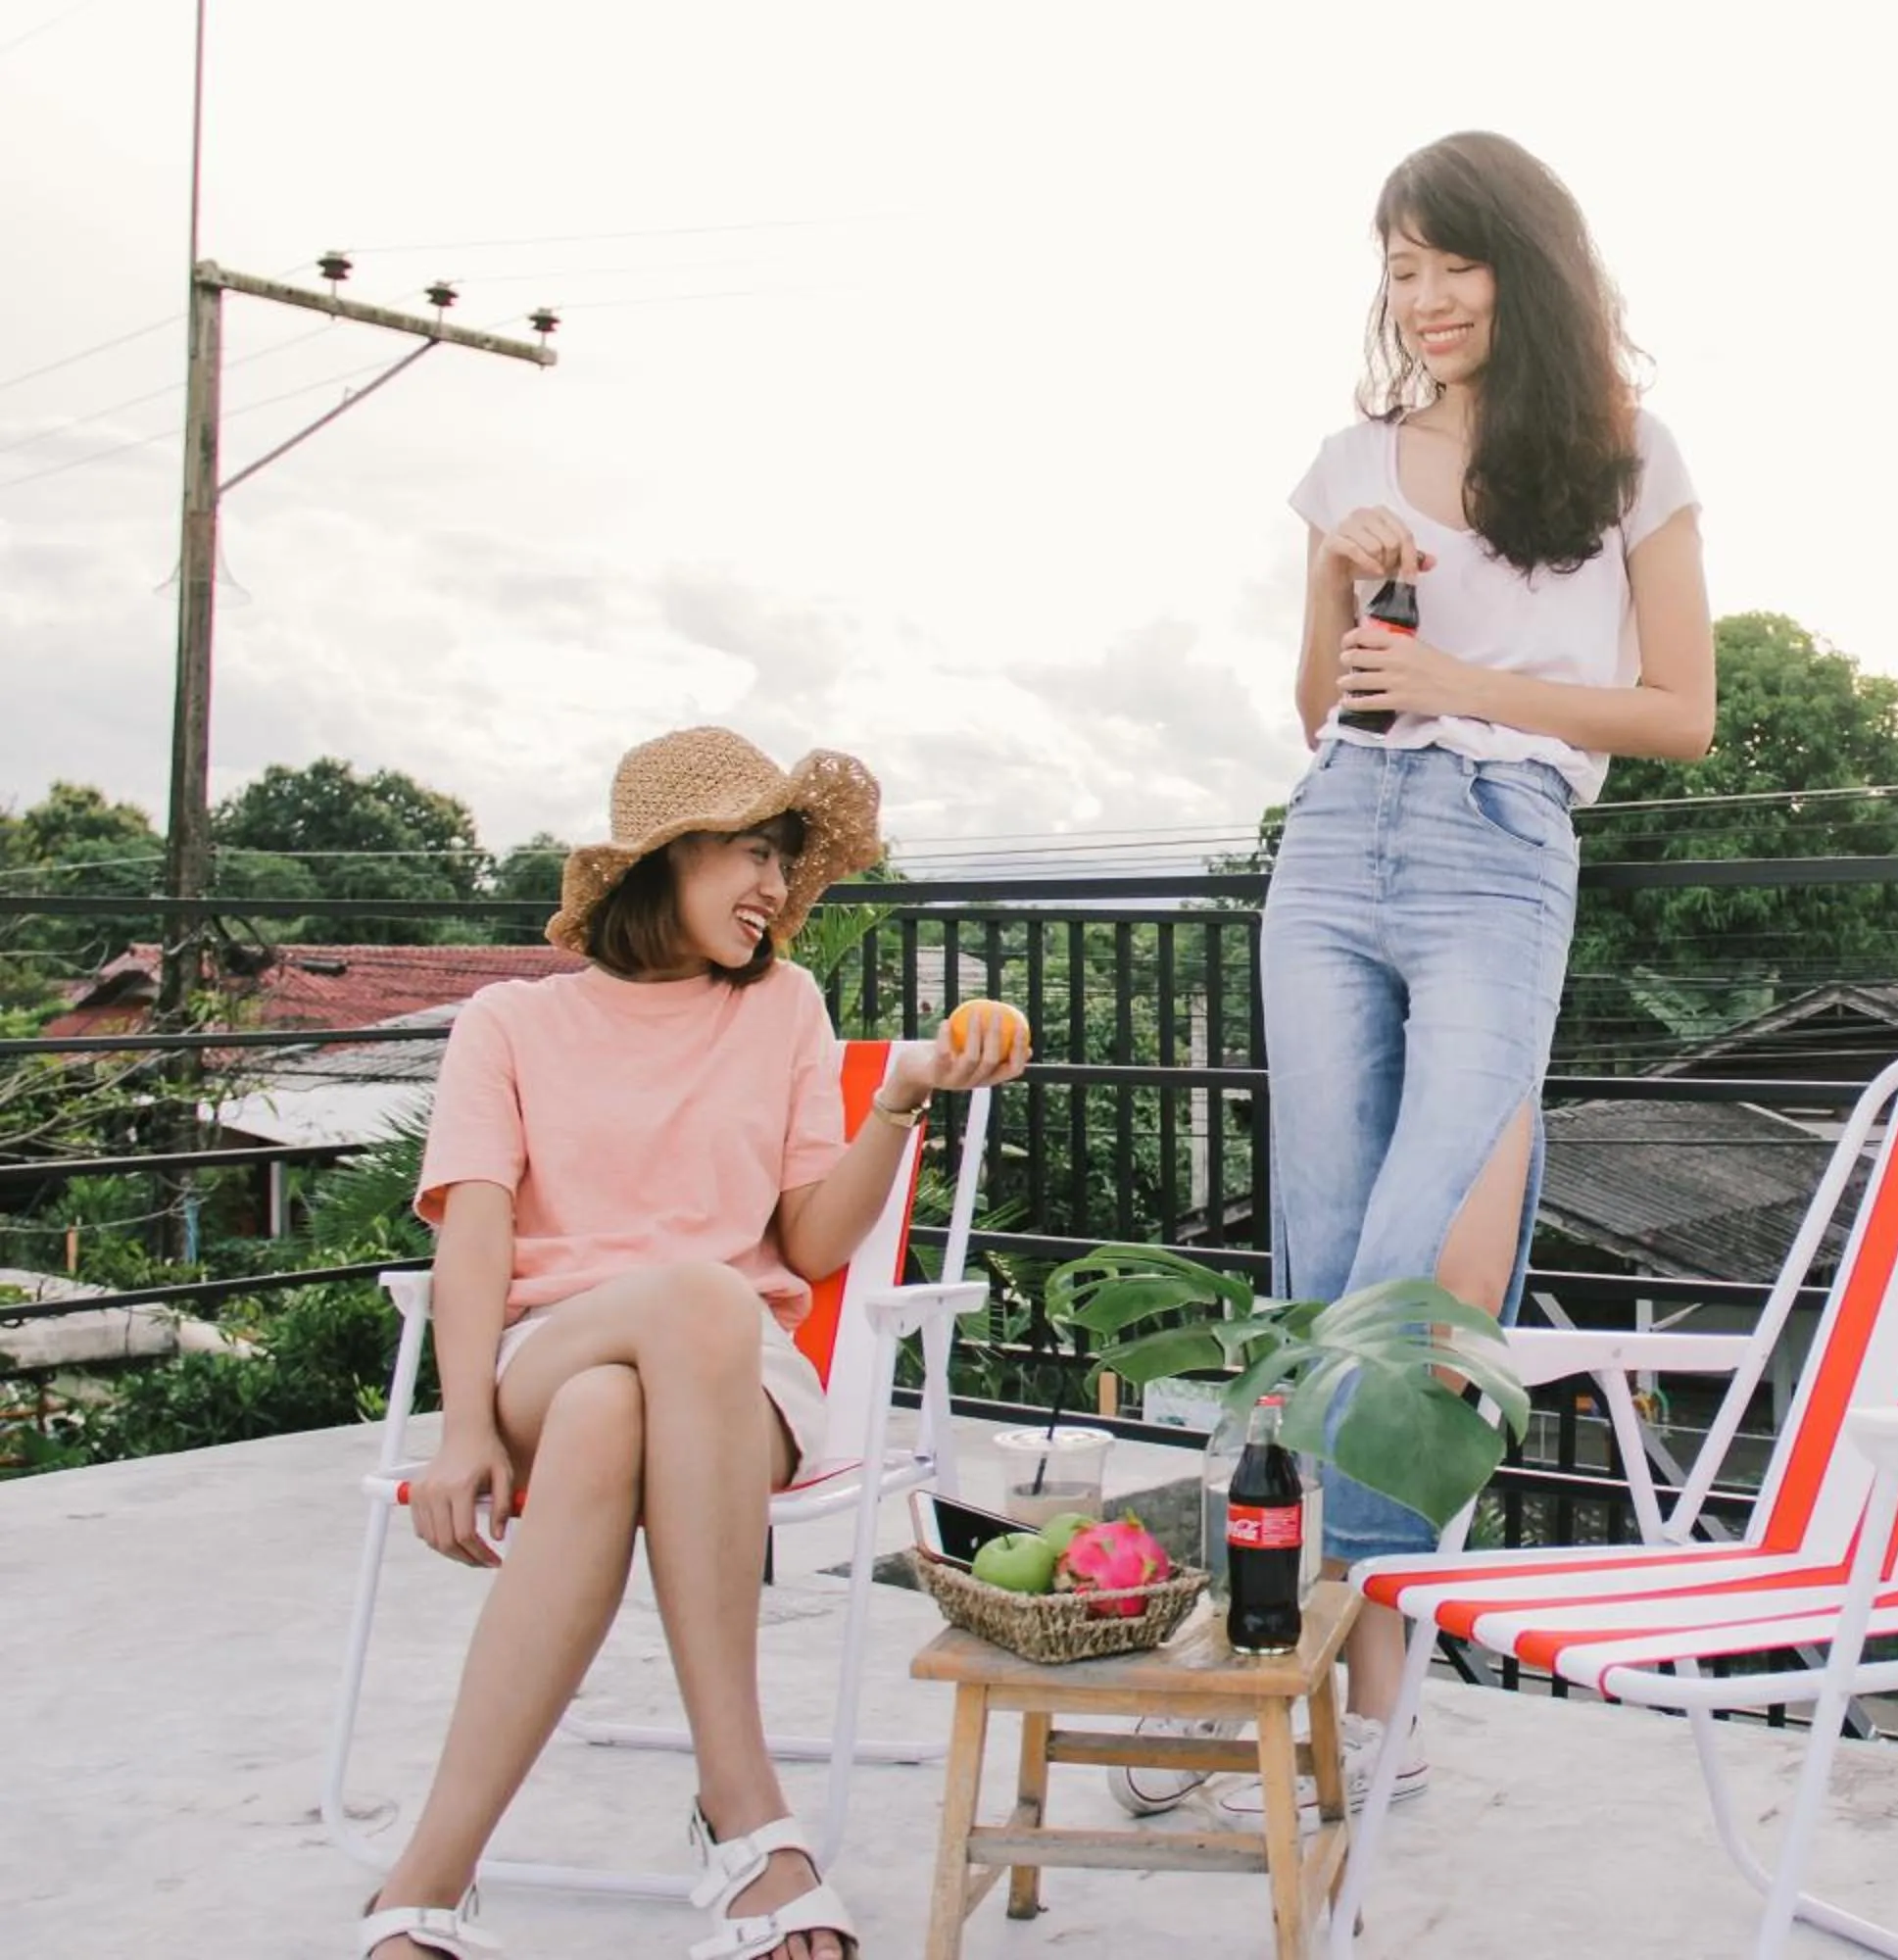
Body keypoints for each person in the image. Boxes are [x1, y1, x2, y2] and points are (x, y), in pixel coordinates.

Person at [1115, 128, 1716, 1826]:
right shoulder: (1349, 457)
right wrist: (1334, 577)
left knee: (1409, 1280)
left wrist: (1470, 677)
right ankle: (1339, 1698)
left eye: (1452, 260)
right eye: (1399, 264)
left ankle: (1293, 1670)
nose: (1427, 297)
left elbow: (1681, 714)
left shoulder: (1624, 456)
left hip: (1502, 851)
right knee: (1319, 1273)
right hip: (1335, 845)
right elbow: (1323, 711)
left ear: (1525, 265)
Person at [357, 726, 1029, 1960]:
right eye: (751, 851)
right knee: (681, 1311)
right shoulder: (508, 1023)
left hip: (730, 1390)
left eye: (784, 856)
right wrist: (458, 1434)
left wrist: (898, 1095)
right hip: (548, 1352)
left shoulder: (783, 1007)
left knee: (631, 1395)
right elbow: (478, 1233)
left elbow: (815, 1244)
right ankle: (748, 1814)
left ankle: (424, 1882)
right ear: (662, 859)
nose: (776, 885)